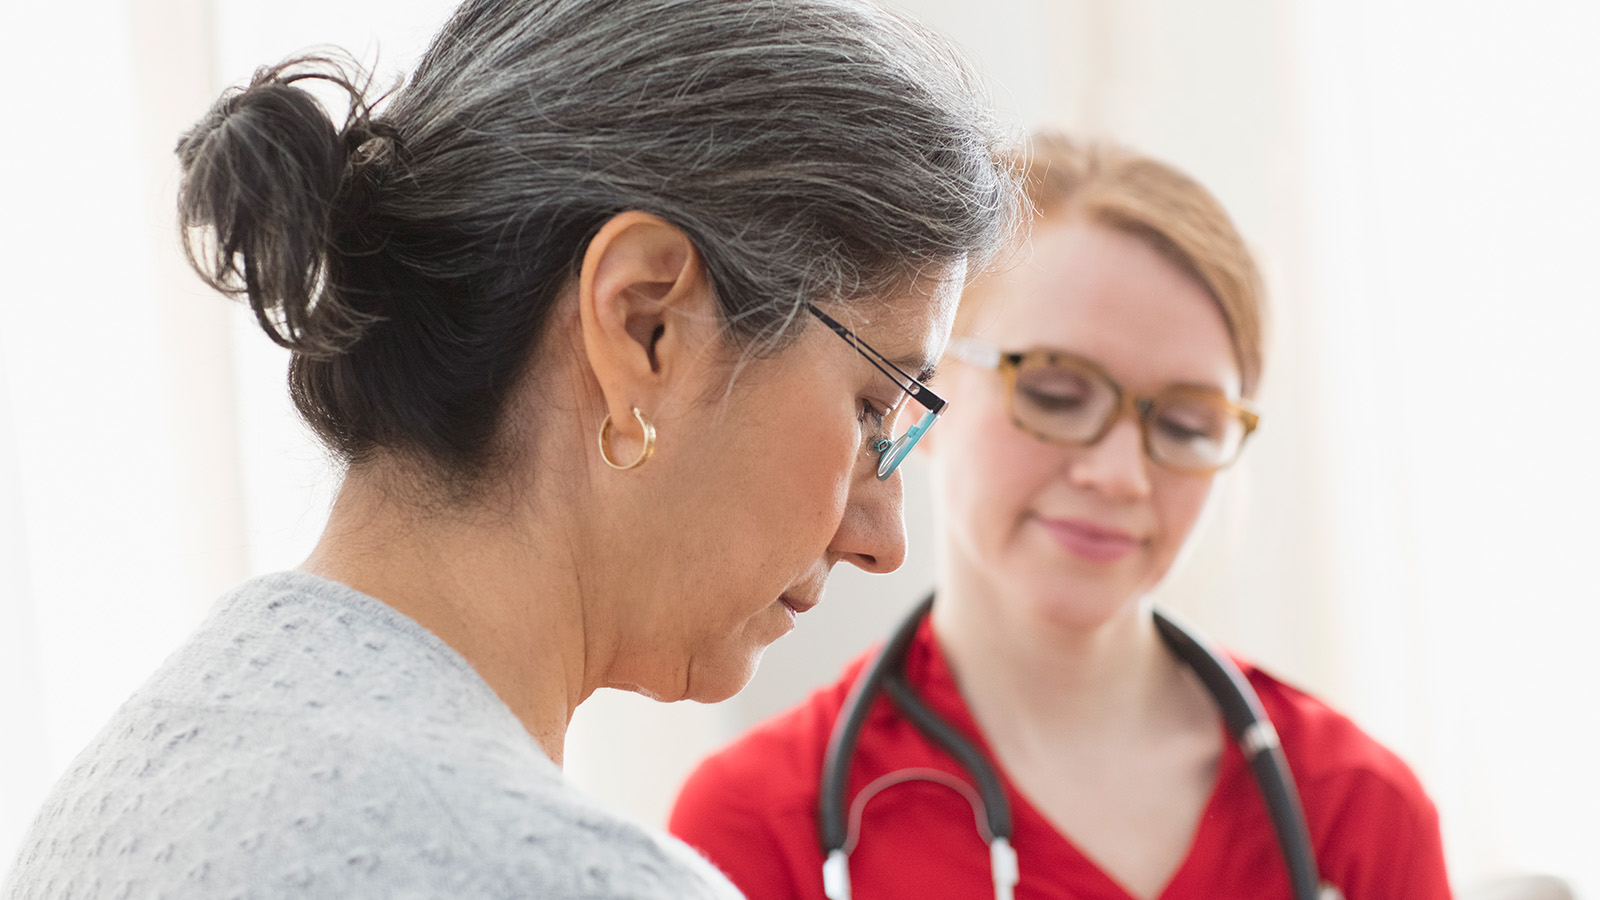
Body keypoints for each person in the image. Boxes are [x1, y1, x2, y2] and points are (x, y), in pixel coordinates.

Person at [1, 1, 1022, 896]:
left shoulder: (133, 773)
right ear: (644, 326)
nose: (883, 537)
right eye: (870, 407)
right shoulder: (563, 878)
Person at [669, 134, 1452, 900]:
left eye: (1184, 424)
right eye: (1054, 392)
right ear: (920, 400)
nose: (1119, 475)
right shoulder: (761, 823)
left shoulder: (1356, 809)